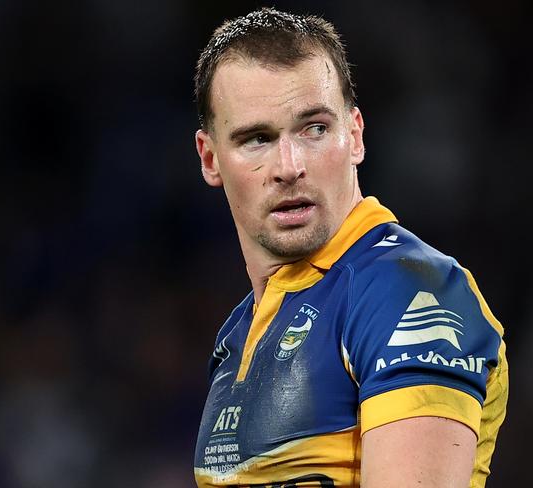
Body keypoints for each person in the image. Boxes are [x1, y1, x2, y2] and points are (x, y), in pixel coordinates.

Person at [192, 8, 508, 488]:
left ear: (355, 135)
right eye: (257, 138)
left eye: (314, 128)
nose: (289, 166)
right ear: (211, 159)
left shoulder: (408, 291)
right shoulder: (237, 335)